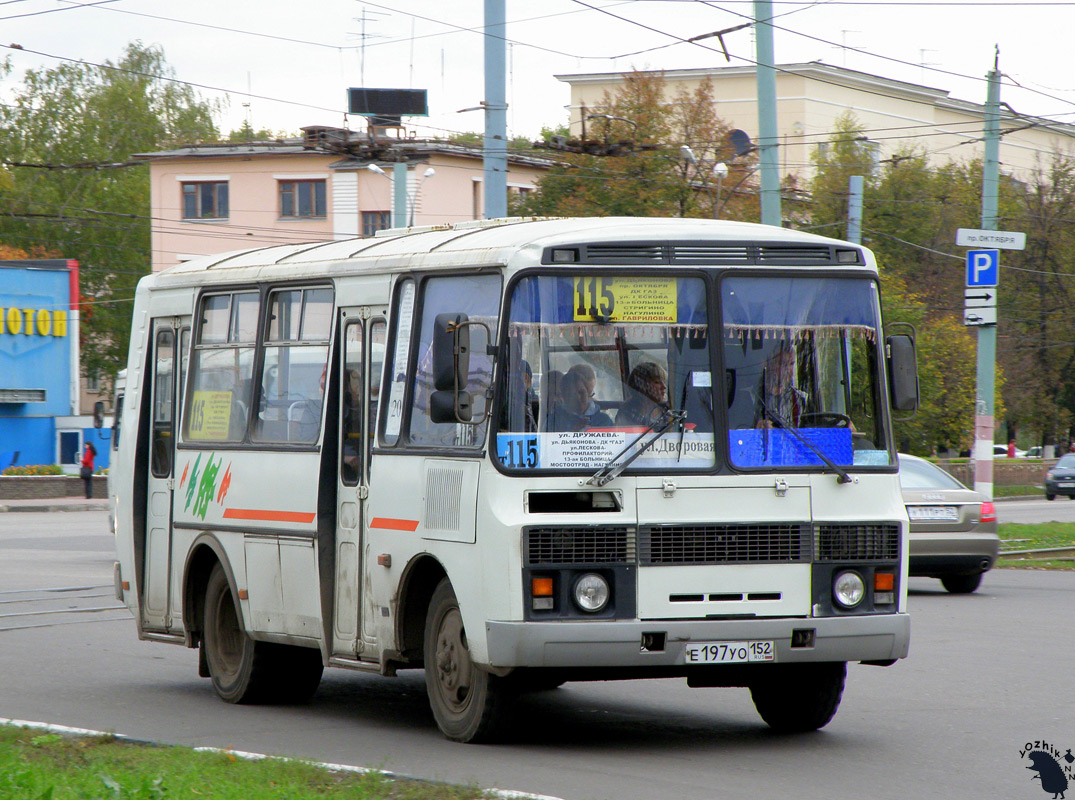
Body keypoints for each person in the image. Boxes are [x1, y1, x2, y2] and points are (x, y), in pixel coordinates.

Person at [755, 345, 807, 428]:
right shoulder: (752, 397)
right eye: (782, 363)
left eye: (791, 364)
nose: (787, 370)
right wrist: (757, 427)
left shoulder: (801, 400)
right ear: (767, 364)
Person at [549, 370, 613, 431]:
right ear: (564, 396)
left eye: (581, 392)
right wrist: (572, 433)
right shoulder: (555, 421)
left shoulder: (603, 420)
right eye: (572, 394)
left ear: (588, 392)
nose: (578, 397)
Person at [615, 361, 668, 427]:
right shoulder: (626, 413)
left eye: (663, 382)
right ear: (642, 386)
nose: (664, 387)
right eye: (657, 382)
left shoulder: (668, 412)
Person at [567, 363, 609, 428]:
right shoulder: (556, 419)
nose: (586, 399)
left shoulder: (603, 420)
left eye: (590, 393)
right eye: (581, 392)